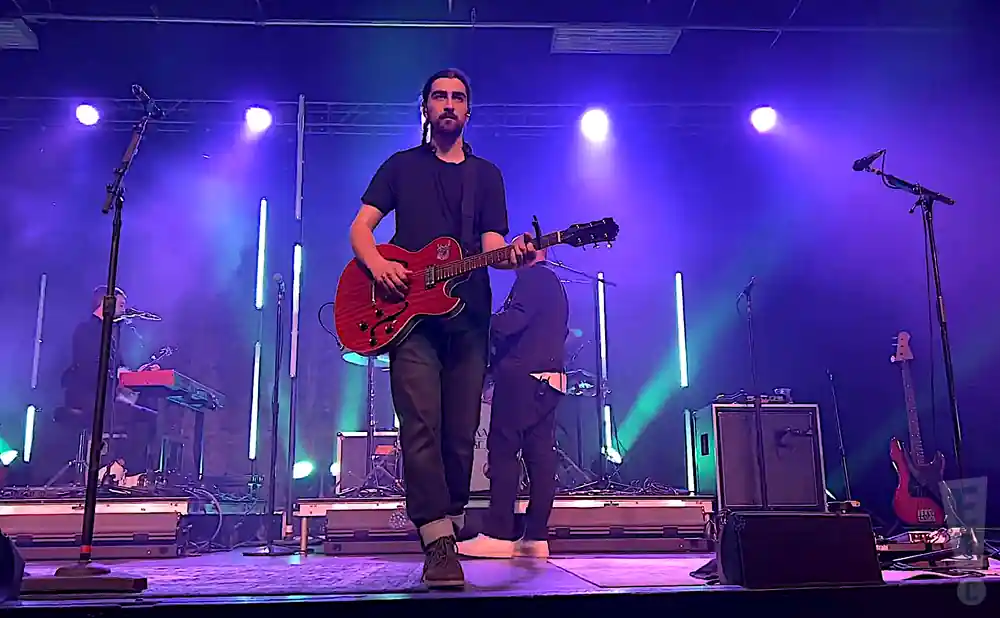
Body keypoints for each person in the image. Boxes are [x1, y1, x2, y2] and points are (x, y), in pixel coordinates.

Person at [349, 68, 534, 588]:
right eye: (439, 96)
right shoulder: (400, 167)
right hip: (408, 320)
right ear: (425, 108)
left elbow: (494, 245)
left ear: (468, 110)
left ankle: (446, 527)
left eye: (458, 97)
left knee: (458, 434)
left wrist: (514, 257)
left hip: (469, 319)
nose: (449, 104)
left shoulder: (487, 176)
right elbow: (361, 228)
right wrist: (378, 266)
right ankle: (438, 541)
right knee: (420, 426)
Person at [458, 247, 569, 559]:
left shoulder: (533, 278)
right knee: (539, 456)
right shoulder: (552, 282)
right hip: (548, 379)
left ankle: (498, 534)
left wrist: (478, 320)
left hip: (523, 376)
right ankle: (535, 537)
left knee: (504, 450)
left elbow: (513, 322)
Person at [56, 285, 156, 481]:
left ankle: (120, 467)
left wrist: (136, 375)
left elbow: (118, 367)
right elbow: (88, 367)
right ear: (105, 303)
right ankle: (116, 469)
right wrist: (118, 377)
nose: (123, 310)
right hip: (87, 396)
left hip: (106, 396)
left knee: (149, 416)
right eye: (121, 304)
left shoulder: (112, 334)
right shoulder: (86, 330)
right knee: (146, 420)